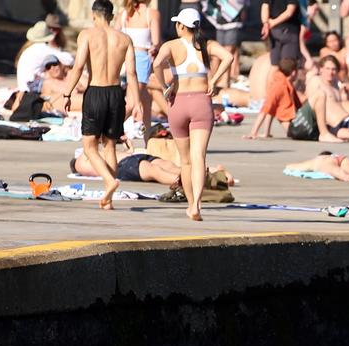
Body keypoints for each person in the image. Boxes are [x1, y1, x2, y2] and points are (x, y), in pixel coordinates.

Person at [151, 8, 233, 221]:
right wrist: (214, 81)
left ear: (180, 26)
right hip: (201, 104)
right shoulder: (207, 45)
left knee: (185, 161)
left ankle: (189, 204)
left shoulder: (171, 46)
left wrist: (163, 86)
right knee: (199, 157)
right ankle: (197, 203)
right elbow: (229, 57)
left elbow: (156, 64)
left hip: (178, 103)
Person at [62, 0, 140, 211]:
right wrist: (138, 101)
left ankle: (109, 181)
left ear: (93, 15)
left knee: (89, 145)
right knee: (109, 145)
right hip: (116, 93)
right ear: (112, 16)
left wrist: (67, 93)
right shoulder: (124, 39)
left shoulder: (86, 35)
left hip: (96, 91)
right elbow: (132, 74)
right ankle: (109, 199)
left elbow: (78, 66)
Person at [117, 0, 161, 140]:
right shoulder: (151, 14)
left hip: (124, 57)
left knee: (146, 100)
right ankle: (109, 130)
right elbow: (156, 42)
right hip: (141, 59)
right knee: (131, 102)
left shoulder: (123, 14)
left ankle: (149, 139)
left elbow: (115, 35)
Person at [244, 56, 299, 139]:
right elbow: (266, 109)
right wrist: (253, 132)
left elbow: (272, 109)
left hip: (295, 119)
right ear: (294, 72)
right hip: (292, 126)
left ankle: (266, 132)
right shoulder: (280, 86)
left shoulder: (286, 83)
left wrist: (266, 132)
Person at [285, 151, 349, 181]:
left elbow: (295, 166)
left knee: (335, 171)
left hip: (325, 161)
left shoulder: (317, 160)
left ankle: (346, 177)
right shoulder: (334, 156)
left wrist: (289, 166)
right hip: (341, 157)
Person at [261, 0, 301, 67]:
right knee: (288, 66)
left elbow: (265, 5)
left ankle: (273, 77)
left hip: (274, 31)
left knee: (274, 65)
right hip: (288, 30)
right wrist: (272, 23)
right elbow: (289, 12)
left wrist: (266, 24)